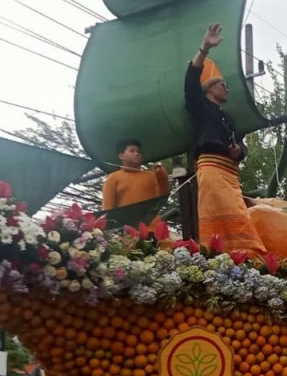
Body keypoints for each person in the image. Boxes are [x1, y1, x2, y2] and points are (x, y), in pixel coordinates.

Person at [186, 23, 266, 257]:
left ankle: (242, 260)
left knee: (239, 216)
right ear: (210, 88)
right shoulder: (198, 107)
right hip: (211, 168)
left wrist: (238, 151)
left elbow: (242, 145)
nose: (227, 89)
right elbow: (191, 80)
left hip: (231, 174)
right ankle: (220, 258)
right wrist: (205, 48)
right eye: (223, 84)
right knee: (223, 219)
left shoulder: (228, 118)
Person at [102, 138, 170, 211]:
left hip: (151, 221)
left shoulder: (151, 176)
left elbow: (163, 197)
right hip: (126, 221)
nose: (137, 154)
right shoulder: (112, 178)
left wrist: (162, 177)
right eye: (132, 151)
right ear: (121, 156)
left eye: (139, 152)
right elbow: (107, 209)